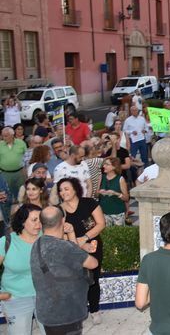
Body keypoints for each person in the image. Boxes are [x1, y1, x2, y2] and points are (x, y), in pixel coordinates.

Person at [31, 206, 98, 335]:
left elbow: (71, 254)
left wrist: (71, 234)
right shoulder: (63, 247)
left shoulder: (37, 244)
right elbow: (92, 263)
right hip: (67, 313)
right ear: (62, 221)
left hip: (48, 312)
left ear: (41, 223)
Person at [58, 177, 106, 324]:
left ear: (75, 189)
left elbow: (101, 224)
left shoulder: (89, 203)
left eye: (66, 189)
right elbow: (58, 234)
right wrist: (79, 244)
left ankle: (94, 310)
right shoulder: (59, 210)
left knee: (93, 279)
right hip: (70, 249)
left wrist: (84, 239)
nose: (63, 192)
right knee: (73, 280)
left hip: (93, 245)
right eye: (60, 190)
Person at [0, 204, 45, 335]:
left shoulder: (47, 237)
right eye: (34, 220)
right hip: (15, 298)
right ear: (22, 221)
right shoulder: (7, 242)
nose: (39, 224)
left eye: (41, 220)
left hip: (45, 296)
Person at [0, 127, 27, 221]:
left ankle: (22, 218)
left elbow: (26, 157)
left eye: (6, 136)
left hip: (19, 172)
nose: (3, 138)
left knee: (21, 195)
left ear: (12, 135)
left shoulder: (21, 143)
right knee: (6, 197)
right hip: (4, 173)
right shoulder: (0, 144)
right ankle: (7, 220)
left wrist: (26, 174)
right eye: (2, 136)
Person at [97, 157, 129, 227]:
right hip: (103, 213)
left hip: (117, 213)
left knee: (118, 235)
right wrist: (99, 192)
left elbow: (126, 198)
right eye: (104, 164)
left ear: (114, 167)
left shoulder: (120, 179)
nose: (104, 166)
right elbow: (96, 194)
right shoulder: (101, 177)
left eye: (107, 164)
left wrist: (115, 193)